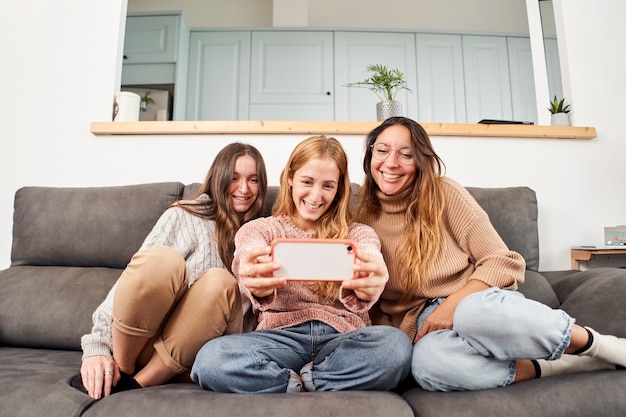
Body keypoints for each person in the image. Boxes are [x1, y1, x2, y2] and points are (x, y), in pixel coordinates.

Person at [353, 116, 626, 392]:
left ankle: (601, 345)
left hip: (473, 302)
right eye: (382, 150)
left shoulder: (444, 193)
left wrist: (452, 304)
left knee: (472, 314)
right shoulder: (360, 218)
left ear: (421, 160)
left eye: (406, 154)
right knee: (429, 366)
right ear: (370, 155)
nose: (391, 163)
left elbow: (502, 260)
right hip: (424, 331)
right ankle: (557, 365)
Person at [190, 135, 412, 393]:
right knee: (211, 360)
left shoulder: (359, 234)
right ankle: (302, 382)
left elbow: (371, 257)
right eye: (307, 182)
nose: (316, 196)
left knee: (395, 347)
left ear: (339, 189)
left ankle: (308, 381)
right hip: (278, 339)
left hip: (343, 339)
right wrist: (254, 280)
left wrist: (372, 281)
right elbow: (248, 256)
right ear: (290, 179)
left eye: (328, 186)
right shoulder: (259, 230)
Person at [73, 143, 268, 399]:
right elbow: (133, 281)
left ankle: (138, 384)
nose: (244, 189)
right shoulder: (184, 216)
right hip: (145, 342)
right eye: (234, 178)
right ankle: (122, 368)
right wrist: (97, 348)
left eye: (253, 180)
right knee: (160, 259)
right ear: (218, 178)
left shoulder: (265, 233)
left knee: (219, 283)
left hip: (202, 353)